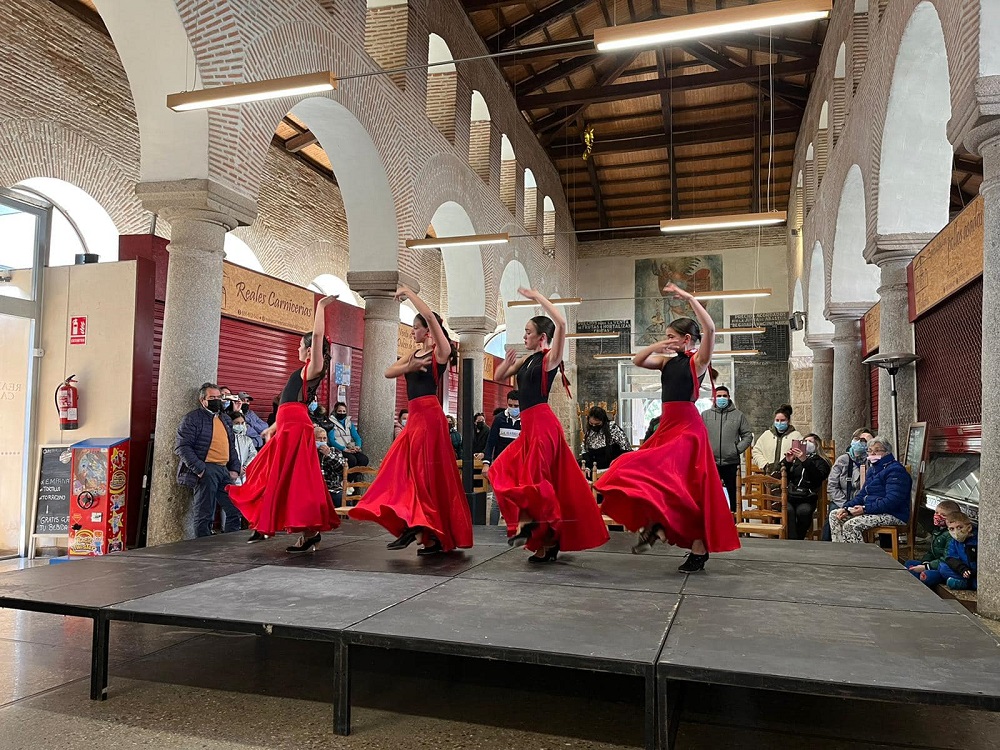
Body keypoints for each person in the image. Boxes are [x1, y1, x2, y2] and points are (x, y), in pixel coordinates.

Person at [595, 283, 740, 572]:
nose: (667, 341)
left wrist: (689, 298)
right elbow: (637, 360)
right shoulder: (665, 362)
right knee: (633, 466)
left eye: (671, 337)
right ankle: (658, 524)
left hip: (687, 429)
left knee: (683, 487)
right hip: (668, 426)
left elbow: (709, 330)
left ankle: (682, 539)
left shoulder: (696, 362)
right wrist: (658, 345)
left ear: (686, 339)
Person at [486, 289, 609, 562]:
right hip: (529, 428)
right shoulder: (527, 360)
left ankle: (533, 530)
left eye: (528, 332)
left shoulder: (548, 359)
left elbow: (562, 325)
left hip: (542, 425)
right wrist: (507, 364)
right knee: (503, 470)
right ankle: (545, 542)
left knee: (534, 482)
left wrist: (537, 297)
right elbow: (498, 375)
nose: (524, 336)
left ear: (542, 337)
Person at [350, 286, 472, 556]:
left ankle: (424, 531)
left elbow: (428, 314)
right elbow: (387, 371)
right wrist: (410, 366)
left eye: (415, 328)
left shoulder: (440, 353)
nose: (412, 332)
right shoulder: (414, 355)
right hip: (415, 415)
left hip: (429, 415)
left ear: (427, 330)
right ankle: (418, 527)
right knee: (401, 467)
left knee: (425, 474)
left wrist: (409, 293)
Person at [228, 296, 340, 551]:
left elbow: (319, 337)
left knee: (293, 479)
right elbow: (289, 406)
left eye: (301, 346)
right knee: (264, 469)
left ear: (310, 350)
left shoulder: (312, 368)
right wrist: (273, 427)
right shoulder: (299, 373)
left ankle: (280, 527)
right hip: (288, 428)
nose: (297, 350)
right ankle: (268, 523)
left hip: (296, 430)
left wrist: (321, 308)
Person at [175, 383, 244, 537]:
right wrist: (200, 469)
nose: (217, 400)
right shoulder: (193, 418)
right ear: (202, 400)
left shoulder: (225, 419)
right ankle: (203, 550)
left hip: (224, 470)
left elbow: (231, 445)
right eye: (212, 398)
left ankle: (230, 544)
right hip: (206, 470)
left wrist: (235, 468)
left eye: (219, 397)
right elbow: (182, 447)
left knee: (235, 510)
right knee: (204, 514)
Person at [829, 435, 912, 544]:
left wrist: (865, 509)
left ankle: (861, 558)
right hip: (872, 510)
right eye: (870, 451)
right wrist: (846, 508)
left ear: (887, 452)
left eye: (877, 451)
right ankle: (842, 553)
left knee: (851, 525)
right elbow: (862, 494)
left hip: (893, 513)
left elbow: (893, 500)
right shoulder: (873, 470)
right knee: (835, 515)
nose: (872, 454)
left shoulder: (895, 470)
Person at [701, 385, 754, 511]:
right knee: (710, 495)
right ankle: (713, 522)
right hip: (711, 463)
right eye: (719, 396)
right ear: (714, 398)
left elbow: (747, 435)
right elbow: (698, 435)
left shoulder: (738, 415)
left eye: (724, 396)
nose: (722, 398)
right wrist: (705, 451)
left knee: (734, 495)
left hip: (731, 462)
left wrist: (736, 450)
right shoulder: (705, 415)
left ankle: (735, 523)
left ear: (729, 397)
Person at [825, 428, 874, 540]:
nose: (861, 443)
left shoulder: (873, 460)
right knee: (833, 514)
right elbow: (832, 486)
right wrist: (845, 504)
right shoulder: (843, 460)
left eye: (865, 441)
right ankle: (827, 545)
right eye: (858, 439)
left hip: (864, 501)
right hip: (842, 499)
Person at [780, 433, 832, 540]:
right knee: (788, 510)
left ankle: (798, 538)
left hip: (807, 497)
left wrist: (805, 461)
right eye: (804, 441)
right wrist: (788, 462)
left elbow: (818, 478)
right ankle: (793, 540)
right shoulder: (796, 460)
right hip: (791, 495)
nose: (806, 443)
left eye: (810, 441)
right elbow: (782, 475)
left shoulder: (822, 461)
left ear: (817, 445)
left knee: (803, 511)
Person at [482, 391, 522, 526]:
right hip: (500, 465)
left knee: (518, 499)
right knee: (496, 501)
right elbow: (490, 442)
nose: (513, 408)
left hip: (519, 466)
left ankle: (516, 528)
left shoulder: (526, 421)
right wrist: (486, 463)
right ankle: (492, 529)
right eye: (510, 405)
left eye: (516, 405)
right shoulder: (499, 419)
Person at [919, 511, 978, 590]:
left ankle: (965, 583)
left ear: (969, 528)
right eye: (951, 529)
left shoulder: (976, 540)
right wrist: (962, 569)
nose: (956, 532)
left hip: (975, 573)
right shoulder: (954, 542)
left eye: (959, 527)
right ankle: (965, 582)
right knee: (943, 567)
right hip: (962, 571)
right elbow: (950, 558)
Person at [905, 499, 961, 582]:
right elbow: (931, 552)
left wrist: (927, 567)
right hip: (932, 564)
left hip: (944, 567)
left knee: (927, 576)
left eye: (943, 515)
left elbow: (947, 559)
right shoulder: (937, 531)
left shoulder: (951, 535)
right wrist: (925, 562)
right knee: (909, 564)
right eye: (936, 513)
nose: (937, 516)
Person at [751, 405, 803, 475]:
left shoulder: (796, 436)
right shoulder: (766, 435)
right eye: (777, 420)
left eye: (782, 420)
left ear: (788, 421)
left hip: (788, 474)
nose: (779, 423)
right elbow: (756, 451)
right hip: (768, 474)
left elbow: (801, 455)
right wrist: (765, 465)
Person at [580, 406, 632, 472]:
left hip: (612, 468)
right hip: (594, 468)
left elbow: (626, 448)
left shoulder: (613, 429)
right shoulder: (589, 432)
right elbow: (585, 450)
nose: (594, 426)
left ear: (603, 421)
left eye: (597, 424)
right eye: (591, 423)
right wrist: (587, 466)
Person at [329, 402, 370, 484]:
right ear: (335, 411)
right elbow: (331, 440)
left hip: (350, 448)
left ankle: (348, 481)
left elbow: (356, 437)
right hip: (339, 449)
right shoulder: (331, 423)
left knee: (364, 460)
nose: (342, 413)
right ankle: (344, 481)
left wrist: (358, 446)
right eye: (339, 411)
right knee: (352, 460)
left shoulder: (349, 423)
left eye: (344, 411)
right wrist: (344, 449)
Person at [315, 424, 346, 507]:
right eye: (319, 438)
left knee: (341, 498)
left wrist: (329, 455)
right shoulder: (308, 452)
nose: (322, 441)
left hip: (331, 488)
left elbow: (342, 470)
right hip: (314, 488)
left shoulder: (334, 451)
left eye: (324, 438)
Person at [230, 411, 258, 486]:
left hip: (245, 475)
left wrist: (245, 467)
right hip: (231, 474)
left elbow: (253, 454)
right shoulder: (227, 439)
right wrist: (236, 468)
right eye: (236, 423)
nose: (240, 425)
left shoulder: (247, 440)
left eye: (242, 423)